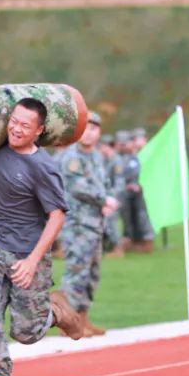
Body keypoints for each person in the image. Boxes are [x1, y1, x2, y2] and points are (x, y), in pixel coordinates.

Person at [0, 98, 86, 376]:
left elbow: (57, 217)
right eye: (13, 122)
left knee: (26, 332)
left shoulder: (43, 167)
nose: (16, 129)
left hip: (26, 254)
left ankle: (55, 313)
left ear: (39, 130)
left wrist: (34, 261)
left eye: (24, 125)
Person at [59, 111, 120, 336]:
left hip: (95, 223)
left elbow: (105, 183)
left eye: (94, 129)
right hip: (77, 224)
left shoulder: (96, 157)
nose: (89, 133)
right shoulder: (71, 157)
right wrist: (104, 200)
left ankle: (83, 320)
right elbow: (77, 187)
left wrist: (108, 201)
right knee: (76, 272)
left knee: (91, 274)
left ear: (99, 133)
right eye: (85, 128)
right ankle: (68, 325)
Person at [121, 127, 155, 252]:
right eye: (135, 139)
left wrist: (141, 185)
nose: (137, 141)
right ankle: (134, 240)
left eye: (139, 138)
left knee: (144, 217)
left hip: (145, 192)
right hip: (132, 193)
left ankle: (147, 241)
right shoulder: (130, 157)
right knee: (131, 217)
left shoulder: (149, 154)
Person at [99, 133, 126, 257]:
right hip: (106, 197)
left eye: (102, 146)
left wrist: (112, 199)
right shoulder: (104, 160)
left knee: (111, 220)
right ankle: (107, 245)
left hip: (116, 197)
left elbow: (120, 183)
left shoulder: (117, 161)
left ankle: (118, 248)